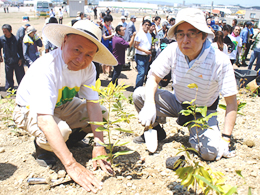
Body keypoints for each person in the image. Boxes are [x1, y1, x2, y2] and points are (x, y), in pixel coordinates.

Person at [12, 20, 117, 193]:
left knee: (103, 114)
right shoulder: (47, 67)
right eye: (77, 50)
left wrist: (99, 144)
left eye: (89, 55)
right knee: (60, 131)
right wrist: (71, 164)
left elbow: (93, 104)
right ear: (64, 41)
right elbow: (44, 119)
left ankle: (70, 141)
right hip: (30, 109)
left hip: (61, 105)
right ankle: (42, 147)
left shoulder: (89, 68)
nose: (81, 60)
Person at [133, 8, 237, 161]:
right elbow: (153, 78)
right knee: (140, 95)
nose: (185, 40)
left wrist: (226, 138)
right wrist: (149, 104)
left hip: (202, 111)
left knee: (210, 153)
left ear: (203, 36)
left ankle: (197, 131)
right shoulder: (173, 50)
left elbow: (231, 102)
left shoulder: (219, 60)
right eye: (180, 34)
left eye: (192, 33)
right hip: (178, 102)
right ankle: (156, 129)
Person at [0, 24, 25, 93]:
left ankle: (22, 90)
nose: (5, 33)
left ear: (10, 31)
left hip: (17, 61)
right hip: (8, 61)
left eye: (6, 31)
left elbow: (21, 50)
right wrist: (0, 56)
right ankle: (9, 90)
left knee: (20, 76)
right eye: (3, 31)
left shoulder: (17, 39)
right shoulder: (2, 39)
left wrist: (21, 59)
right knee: (8, 76)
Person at [134, 19, 152, 89]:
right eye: (146, 25)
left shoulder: (149, 35)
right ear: (142, 25)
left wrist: (149, 55)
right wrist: (145, 51)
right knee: (141, 73)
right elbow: (136, 45)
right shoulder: (140, 34)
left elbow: (149, 46)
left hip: (146, 56)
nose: (147, 26)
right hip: (140, 56)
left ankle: (140, 87)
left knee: (145, 73)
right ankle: (137, 88)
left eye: (148, 25)